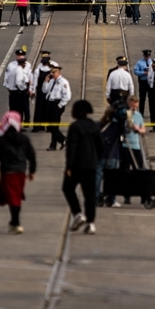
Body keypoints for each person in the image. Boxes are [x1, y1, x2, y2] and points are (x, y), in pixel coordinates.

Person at [0, 111, 37, 234]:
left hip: (7, 171)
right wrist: (32, 171)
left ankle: (15, 222)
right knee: (16, 196)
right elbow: (31, 155)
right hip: (21, 171)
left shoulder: (1, 140)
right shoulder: (24, 139)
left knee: (13, 197)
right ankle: (14, 222)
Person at [63, 99, 103, 235]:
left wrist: (69, 166)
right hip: (91, 165)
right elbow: (101, 146)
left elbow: (72, 147)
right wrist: (97, 160)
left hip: (77, 165)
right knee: (89, 195)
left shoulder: (75, 127)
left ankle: (78, 213)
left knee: (67, 188)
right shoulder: (94, 126)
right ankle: (91, 223)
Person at [45, 61, 71, 150]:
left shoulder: (63, 82)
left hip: (57, 104)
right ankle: (61, 141)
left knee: (53, 126)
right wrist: (45, 82)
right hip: (50, 104)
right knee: (51, 126)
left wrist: (60, 105)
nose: (52, 74)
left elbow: (67, 96)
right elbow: (44, 91)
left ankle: (56, 143)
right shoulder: (52, 81)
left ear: (58, 72)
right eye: (51, 72)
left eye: (54, 72)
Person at [4, 49, 34, 122]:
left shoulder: (28, 65)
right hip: (18, 89)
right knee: (16, 108)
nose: (20, 57)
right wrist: (7, 86)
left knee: (25, 106)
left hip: (24, 88)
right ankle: (15, 123)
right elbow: (7, 77)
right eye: (19, 56)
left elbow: (30, 77)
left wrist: (30, 88)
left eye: (22, 56)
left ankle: (26, 119)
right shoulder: (11, 65)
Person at [32, 51, 53, 133]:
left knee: (39, 108)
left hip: (40, 91)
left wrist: (33, 90)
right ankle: (47, 126)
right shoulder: (50, 71)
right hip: (48, 92)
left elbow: (35, 82)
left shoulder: (38, 70)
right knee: (47, 108)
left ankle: (37, 126)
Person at [133, 50, 153, 118]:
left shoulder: (152, 62)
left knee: (151, 98)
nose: (147, 57)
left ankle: (152, 113)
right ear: (143, 55)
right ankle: (141, 113)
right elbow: (135, 71)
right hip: (143, 81)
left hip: (150, 82)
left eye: (148, 56)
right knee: (142, 98)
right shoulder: (139, 62)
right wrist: (143, 73)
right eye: (146, 56)